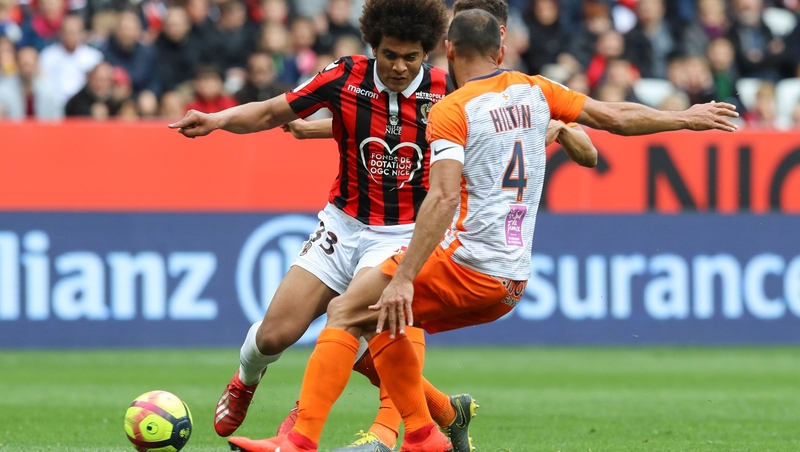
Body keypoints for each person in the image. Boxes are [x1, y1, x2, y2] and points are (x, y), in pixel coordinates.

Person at [230, 9, 739, 452]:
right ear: (501, 47)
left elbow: (445, 195)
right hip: (513, 280)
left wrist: (405, 273)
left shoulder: (453, 109)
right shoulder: (536, 91)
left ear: (446, 50)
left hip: (466, 265)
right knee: (378, 320)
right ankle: (433, 431)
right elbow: (616, 117)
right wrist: (685, 117)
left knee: (347, 310)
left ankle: (298, 442)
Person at [169, 1, 465, 451]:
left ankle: (304, 429)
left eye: (411, 57)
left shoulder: (449, 91)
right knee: (274, 335)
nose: (400, 67)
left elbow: (496, 136)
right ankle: (246, 378)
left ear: (428, 53)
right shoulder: (345, 76)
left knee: (353, 320)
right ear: (373, 47)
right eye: (389, 55)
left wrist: (556, 129)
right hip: (342, 225)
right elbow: (274, 111)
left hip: (404, 234)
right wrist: (218, 120)